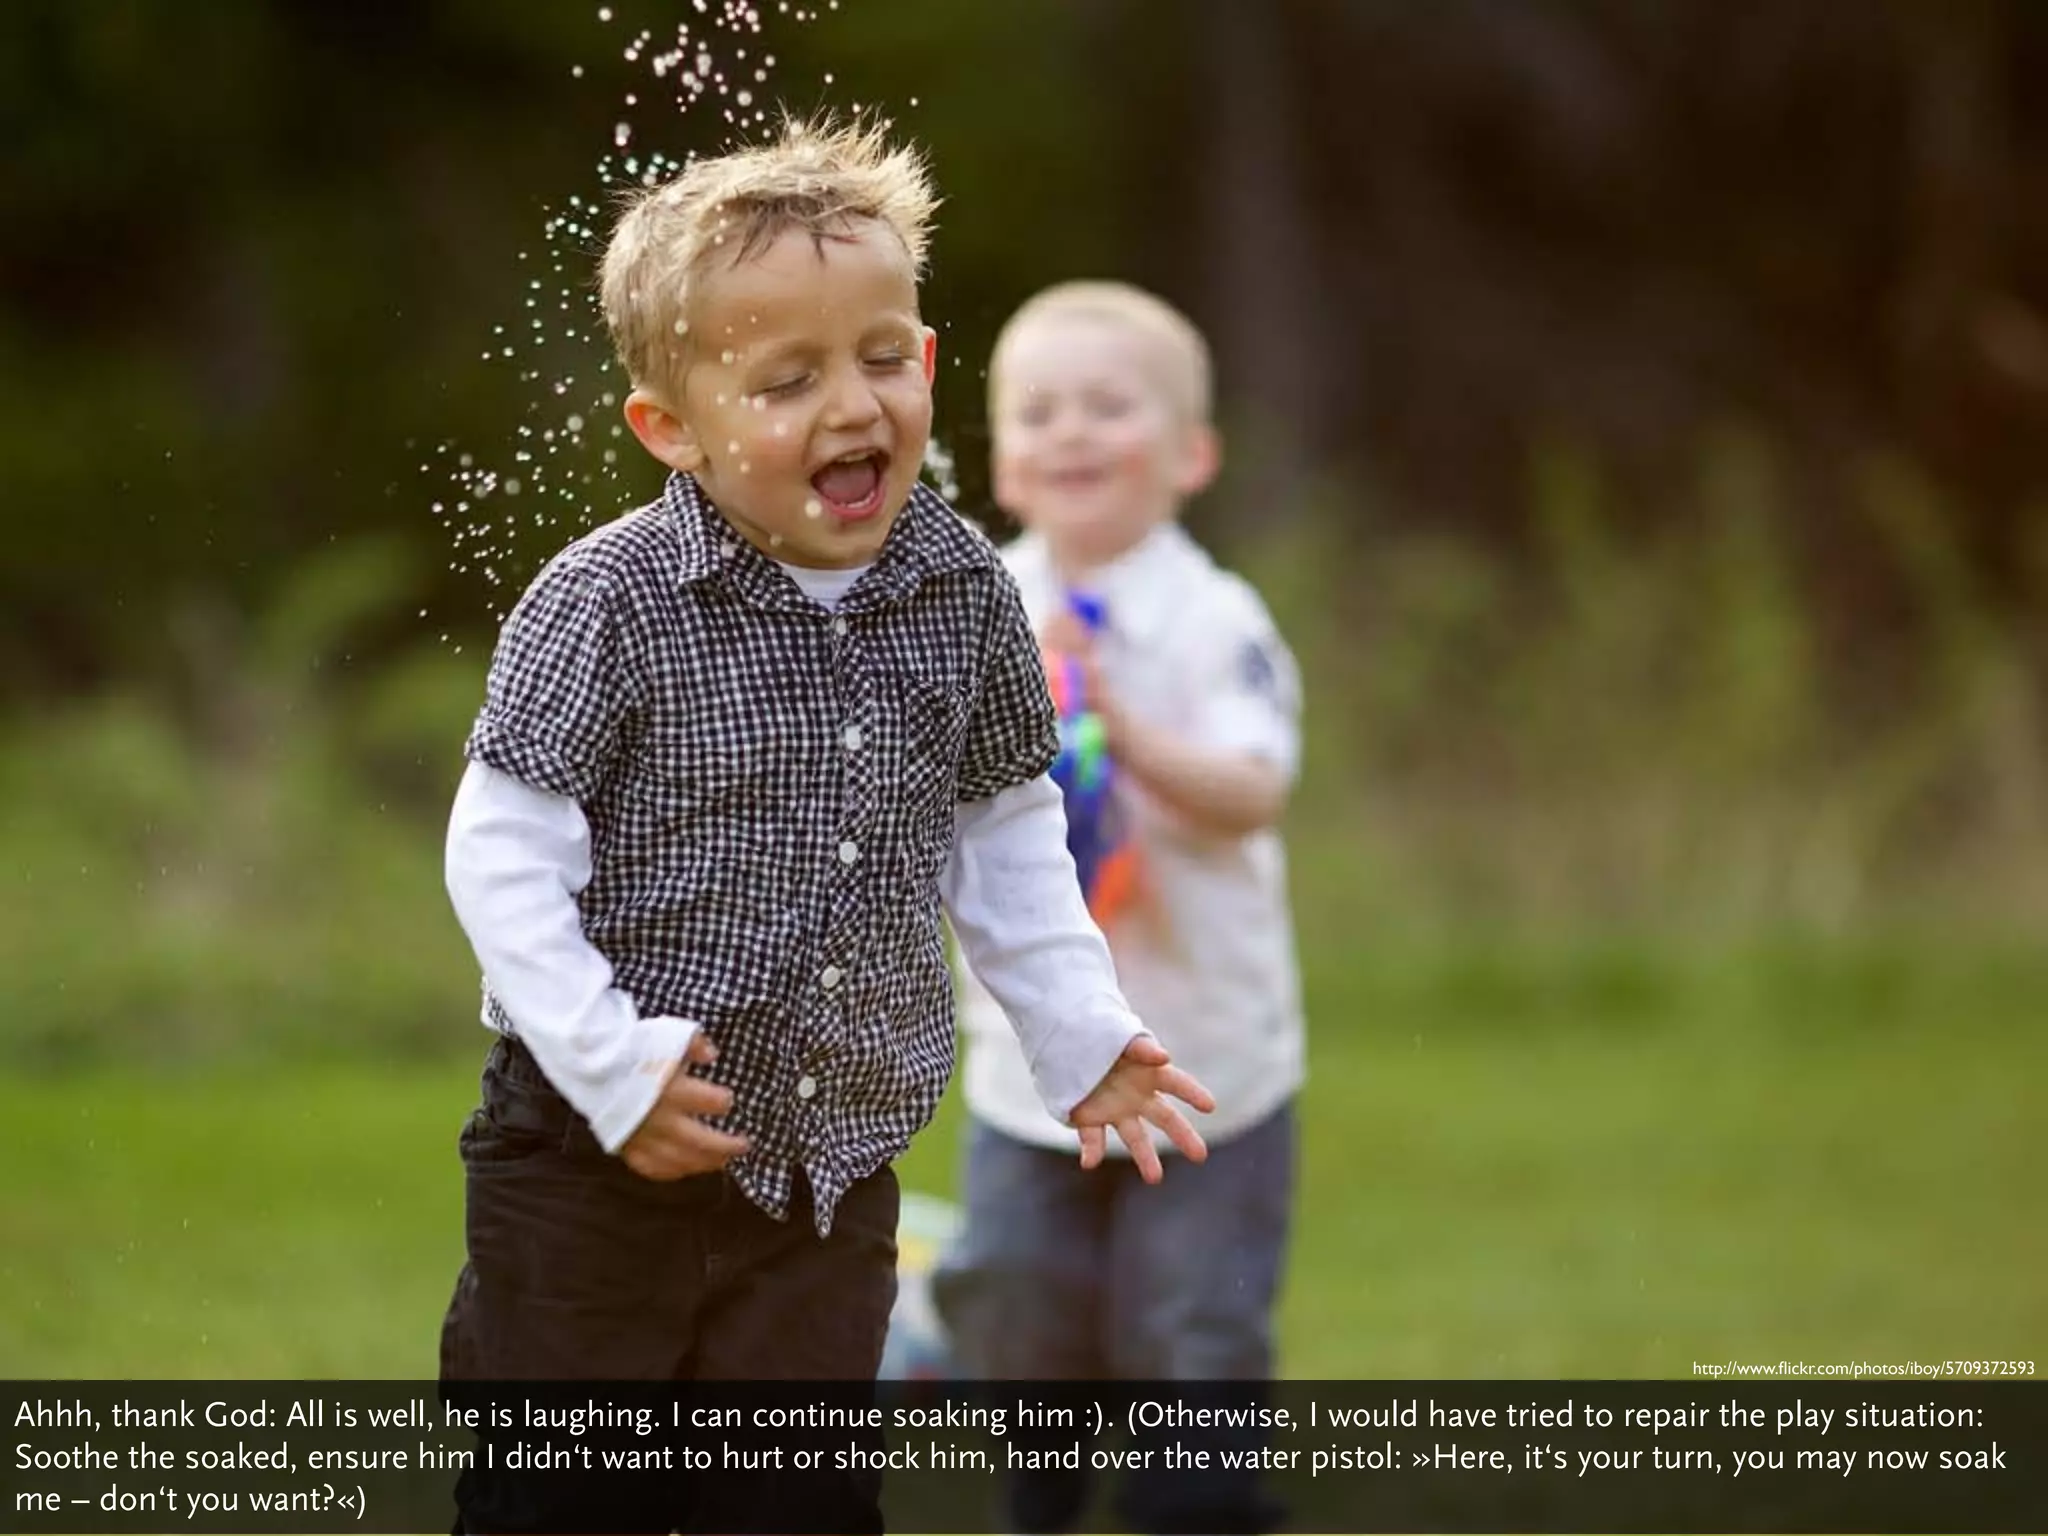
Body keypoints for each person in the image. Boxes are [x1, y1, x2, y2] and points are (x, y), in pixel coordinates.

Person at [434, 120, 1214, 1536]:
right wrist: (612, 1065)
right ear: (672, 428)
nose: (852, 406)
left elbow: (1003, 820)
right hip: (587, 1161)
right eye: (788, 379)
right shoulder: (608, 602)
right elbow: (499, 855)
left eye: (881, 357)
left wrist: (1078, 1026)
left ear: (926, 363)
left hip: (826, 1173)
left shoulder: (959, 584)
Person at [933, 281, 1306, 1536]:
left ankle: (1194, 1511)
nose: (1071, 432)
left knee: (1189, 1333)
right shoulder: (975, 600)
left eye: (1108, 406)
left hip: (1207, 1067)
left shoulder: (1213, 621)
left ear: (1190, 454)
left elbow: (1252, 790)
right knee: (1023, 1312)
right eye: (1036, 411)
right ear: (1002, 461)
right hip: (1030, 1070)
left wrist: (1114, 720)